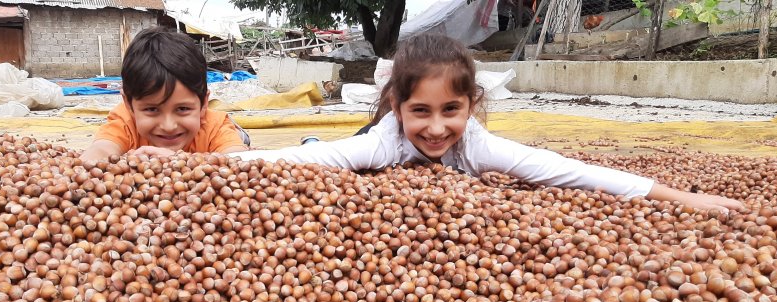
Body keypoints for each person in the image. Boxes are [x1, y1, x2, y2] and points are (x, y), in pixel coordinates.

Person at [231, 34, 743, 213]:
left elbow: (564, 169)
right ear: (396, 106)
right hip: (367, 140)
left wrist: (682, 198)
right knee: (338, 156)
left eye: (450, 110)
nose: (435, 128)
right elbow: (292, 160)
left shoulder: (477, 147)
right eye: (420, 111)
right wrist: (202, 166)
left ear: (471, 105)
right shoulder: (381, 143)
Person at [81, 27, 248, 164]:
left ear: (204, 103)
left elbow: (240, 161)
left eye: (182, 109)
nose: (169, 126)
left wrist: (177, 161)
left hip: (215, 128)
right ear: (129, 105)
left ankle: (240, 134)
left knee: (238, 140)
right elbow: (99, 151)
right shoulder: (125, 122)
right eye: (152, 109)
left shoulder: (215, 127)